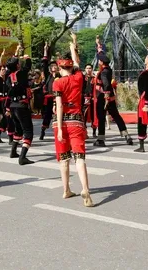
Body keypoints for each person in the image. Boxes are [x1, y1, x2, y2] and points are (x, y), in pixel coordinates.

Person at [53, 32, 93, 207]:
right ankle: (85, 188)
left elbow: (59, 106)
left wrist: (60, 128)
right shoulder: (78, 78)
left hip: (61, 122)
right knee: (80, 157)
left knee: (64, 158)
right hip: (77, 120)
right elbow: (77, 63)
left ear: (59, 67)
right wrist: (73, 45)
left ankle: (66, 189)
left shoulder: (58, 82)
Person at [93, 35, 132, 147]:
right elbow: (101, 55)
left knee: (101, 118)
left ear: (101, 62)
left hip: (104, 97)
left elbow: (105, 85)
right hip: (110, 97)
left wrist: (105, 97)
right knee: (116, 116)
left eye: (99, 60)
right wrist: (98, 45)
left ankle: (101, 139)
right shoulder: (108, 69)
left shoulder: (104, 72)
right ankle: (126, 136)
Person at [5, 43, 35, 165]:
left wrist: (17, 54)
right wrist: (27, 57)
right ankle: (22, 157)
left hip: (13, 105)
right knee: (28, 131)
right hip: (22, 105)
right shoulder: (21, 73)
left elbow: (12, 67)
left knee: (18, 130)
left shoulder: (8, 76)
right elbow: (28, 65)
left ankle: (13, 151)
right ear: (17, 65)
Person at [39, 42, 59, 140]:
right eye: (52, 66)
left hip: (58, 98)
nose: (54, 67)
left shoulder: (60, 76)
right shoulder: (48, 76)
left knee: (58, 115)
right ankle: (42, 131)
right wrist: (45, 51)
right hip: (49, 99)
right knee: (47, 115)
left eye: (55, 66)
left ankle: (58, 131)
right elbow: (44, 64)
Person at [82, 64, 96, 138]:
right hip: (84, 98)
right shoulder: (83, 78)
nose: (88, 69)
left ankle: (94, 132)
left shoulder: (94, 78)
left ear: (92, 69)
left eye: (90, 68)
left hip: (93, 99)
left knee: (94, 115)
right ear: (85, 69)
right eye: (87, 68)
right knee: (84, 115)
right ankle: (84, 132)